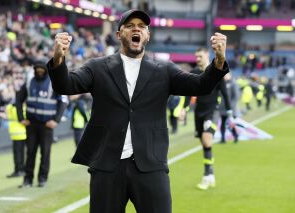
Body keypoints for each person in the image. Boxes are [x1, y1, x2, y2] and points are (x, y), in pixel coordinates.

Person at [47, 9, 229, 213]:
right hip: (107, 166)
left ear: (148, 35)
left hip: (150, 165)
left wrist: (219, 61)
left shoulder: (164, 70)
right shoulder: (97, 67)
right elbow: (66, 86)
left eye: (142, 26)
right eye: (130, 26)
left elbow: (201, 86)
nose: (137, 29)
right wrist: (58, 60)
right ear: (118, 34)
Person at [16, 61, 68, 188]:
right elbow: (18, 100)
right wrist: (21, 118)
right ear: (34, 70)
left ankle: (42, 178)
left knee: (45, 153)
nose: (39, 71)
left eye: (42, 69)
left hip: (46, 125)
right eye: (37, 69)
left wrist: (56, 120)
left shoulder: (53, 82)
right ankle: (28, 179)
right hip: (31, 124)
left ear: (46, 70)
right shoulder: (29, 82)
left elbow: (63, 101)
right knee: (30, 153)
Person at [190, 47, 232, 190]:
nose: (197, 59)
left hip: (212, 111)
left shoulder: (215, 72)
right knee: (205, 145)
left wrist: (230, 114)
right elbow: (187, 93)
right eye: (196, 57)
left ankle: (207, 176)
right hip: (199, 113)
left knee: (207, 139)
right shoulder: (194, 73)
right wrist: (183, 109)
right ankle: (211, 174)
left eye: (200, 56)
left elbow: (225, 93)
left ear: (206, 55)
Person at [6, 102, 26, 178]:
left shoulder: (14, 108)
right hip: (19, 134)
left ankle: (19, 170)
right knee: (19, 154)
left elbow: (17, 116)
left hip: (19, 134)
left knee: (18, 154)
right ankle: (19, 170)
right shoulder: (17, 108)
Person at [219, 73, 240, 143]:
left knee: (231, 124)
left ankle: (235, 136)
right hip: (222, 108)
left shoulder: (233, 84)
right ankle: (222, 139)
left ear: (230, 75)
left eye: (226, 75)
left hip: (231, 109)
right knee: (222, 124)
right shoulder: (221, 84)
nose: (225, 76)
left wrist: (231, 106)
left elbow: (236, 96)